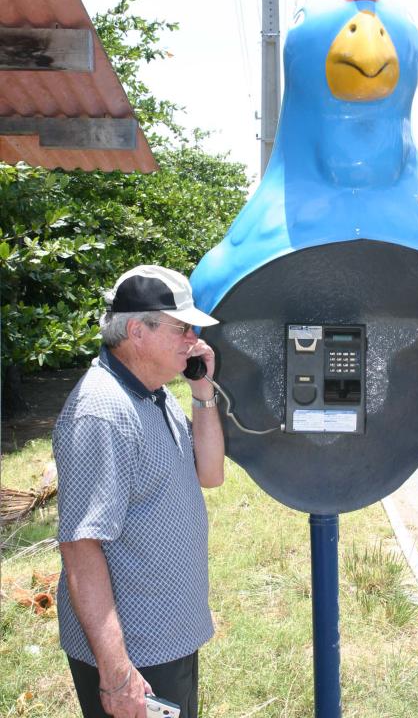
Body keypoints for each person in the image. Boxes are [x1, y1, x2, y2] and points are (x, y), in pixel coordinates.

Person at [53, 265, 225, 718]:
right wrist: (117, 673)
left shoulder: (155, 394)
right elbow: (80, 548)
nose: (193, 339)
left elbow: (210, 474)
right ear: (137, 331)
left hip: (169, 637)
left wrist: (202, 391)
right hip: (136, 656)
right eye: (182, 328)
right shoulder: (102, 413)